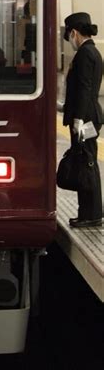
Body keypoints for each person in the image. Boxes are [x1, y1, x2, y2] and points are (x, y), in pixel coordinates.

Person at [62, 12, 103, 228]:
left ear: (74, 33)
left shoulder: (85, 54)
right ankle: (89, 212)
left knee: (87, 164)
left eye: (69, 35)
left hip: (86, 119)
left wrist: (77, 119)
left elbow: (85, 89)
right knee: (86, 162)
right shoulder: (92, 51)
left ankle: (92, 214)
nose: (69, 40)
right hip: (88, 116)